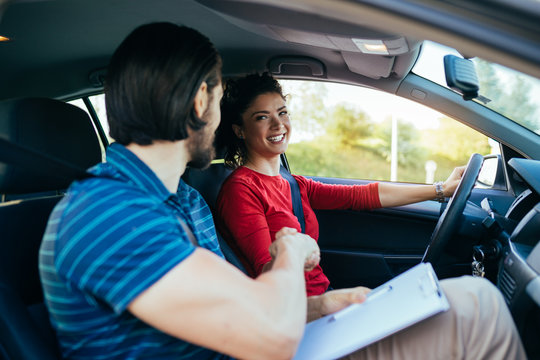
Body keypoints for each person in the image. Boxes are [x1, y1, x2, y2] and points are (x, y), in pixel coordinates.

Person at [38, 23, 525, 360]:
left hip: (257, 342)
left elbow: (234, 303)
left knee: (469, 300)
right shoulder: (109, 215)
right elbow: (267, 332)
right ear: (200, 100)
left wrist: (322, 305)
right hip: (264, 346)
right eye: (218, 92)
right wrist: (291, 252)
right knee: (477, 309)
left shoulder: (176, 200)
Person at [215, 72, 464, 295]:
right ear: (240, 131)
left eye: (282, 112)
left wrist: (441, 190)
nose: (278, 124)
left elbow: (362, 196)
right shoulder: (241, 190)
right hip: (299, 315)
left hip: (322, 296)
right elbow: (267, 274)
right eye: (262, 117)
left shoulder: (293, 184)